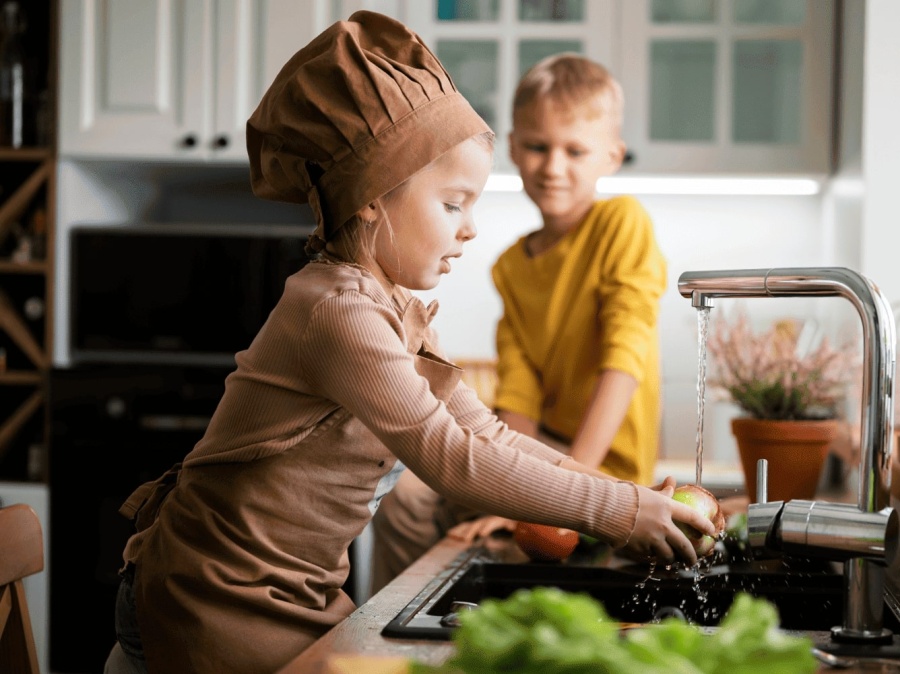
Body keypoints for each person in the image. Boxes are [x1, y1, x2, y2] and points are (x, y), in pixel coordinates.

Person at [102, 13, 712, 674]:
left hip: (290, 595)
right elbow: (449, 458)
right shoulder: (338, 310)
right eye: (453, 204)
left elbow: (491, 436)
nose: (471, 229)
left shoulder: (387, 309)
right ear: (370, 199)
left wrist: (628, 497)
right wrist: (621, 511)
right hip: (209, 594)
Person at [371, 54, 667, 592]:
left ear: (612, 155)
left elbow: (625, 361)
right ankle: (390, 632)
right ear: (511, 148)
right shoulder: (511, 264)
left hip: (607, 470)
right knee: (408, 497)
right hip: (543, 454)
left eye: (574, 150)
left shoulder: (623, 224)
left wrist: (564, 492)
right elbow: (520, 395)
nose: (553, 166)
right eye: (537, 146)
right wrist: (521, 489)